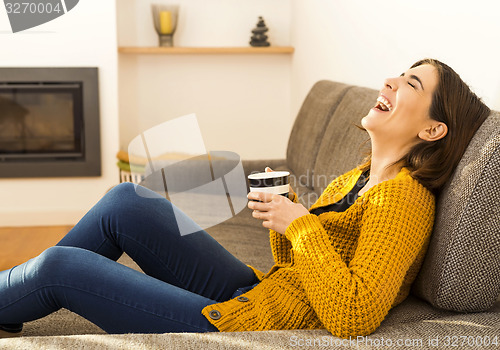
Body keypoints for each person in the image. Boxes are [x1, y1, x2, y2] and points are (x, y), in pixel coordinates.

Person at [0, 59, 491, 339]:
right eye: (399, 73)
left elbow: (355, 312)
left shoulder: (402, 202)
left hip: (238, 323)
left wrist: (300, 225)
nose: (389, 81)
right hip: (256, 292)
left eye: (410, 84)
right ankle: (10, 300)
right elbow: (300, 268)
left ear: (432, 128)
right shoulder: (360, 176)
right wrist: (286, 218)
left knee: (60, 268)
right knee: (126, 199)